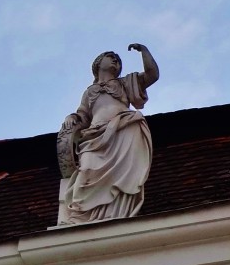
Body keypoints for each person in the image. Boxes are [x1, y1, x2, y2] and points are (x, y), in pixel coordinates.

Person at [58, 44, 159, 224]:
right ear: (98, 64)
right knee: (87, 169)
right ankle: (80, 216)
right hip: (95, 135)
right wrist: (71, 117)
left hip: (124, 128)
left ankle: (118, 211)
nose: (116, 61)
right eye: (111, 57)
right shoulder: (89, 91)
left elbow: (152, 75)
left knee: (123, 172)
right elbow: (83, 115)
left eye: (118, 61)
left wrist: (144, 52)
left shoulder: (124, 83)